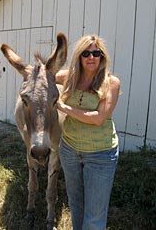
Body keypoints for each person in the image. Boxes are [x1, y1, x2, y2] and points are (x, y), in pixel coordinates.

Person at [55, 34, 120, 230]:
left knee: (94, 216)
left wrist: (62, 107)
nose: (91, 57)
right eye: (86, 53)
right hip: (69, 150)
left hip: (101, 154)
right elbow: (46, 75)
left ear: (102, 56)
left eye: (96, 53)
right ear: (79, 57)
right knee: (75, 203)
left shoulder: (111, 83)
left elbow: (98, 118)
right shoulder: (68, 77)